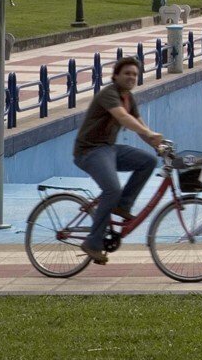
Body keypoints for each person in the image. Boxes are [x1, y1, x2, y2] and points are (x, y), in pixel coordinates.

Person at [73, 57, 164, 264]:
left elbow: (140, 125)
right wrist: (150, 133)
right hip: (90, 151)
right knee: (112, 189)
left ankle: (122, 206)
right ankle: (93, 243)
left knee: (148, 161)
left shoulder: (128, 97)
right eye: (127, 73)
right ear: (116, 76)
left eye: (135, 74)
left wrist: (158, 145)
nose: (131, 77)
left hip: (108, 149)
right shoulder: (109, 94)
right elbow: (123, 117)